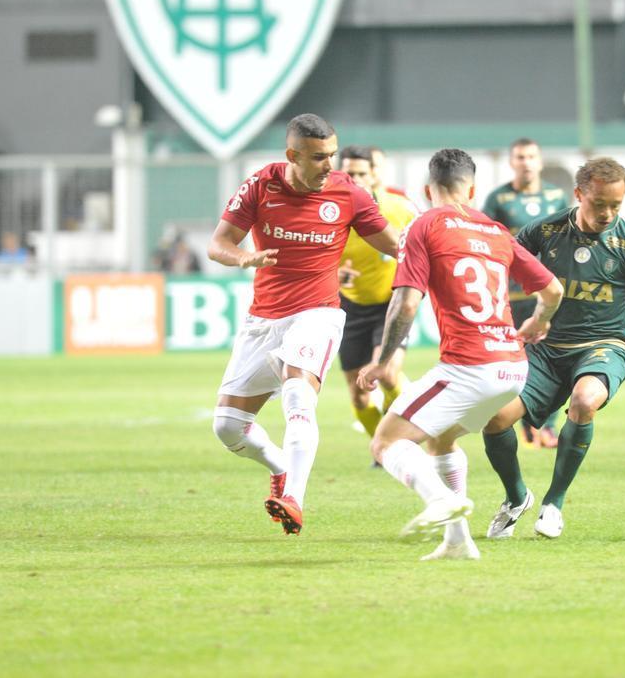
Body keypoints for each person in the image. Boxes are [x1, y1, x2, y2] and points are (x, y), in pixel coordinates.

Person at [357, 148, 562, 561]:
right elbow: (553, 289)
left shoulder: (424, 225)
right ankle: (457, 542)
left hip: (470, 366)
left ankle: (440, 500)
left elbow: (407, 303)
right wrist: (540, 319)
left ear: (426, 189)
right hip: (512, 369)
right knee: (443, 439)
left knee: (385, 442)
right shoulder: (496, 230)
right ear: (472, 189)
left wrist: (383, 359)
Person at [206, 114, 400, 535]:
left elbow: (395, 245)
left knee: (298, 394)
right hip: (264, 318)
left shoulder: (349, 193)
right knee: (227, 427)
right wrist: (243, 258)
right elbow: (218, 244)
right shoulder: (260, 185)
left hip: (318, 312)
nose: (330, 165)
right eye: (318, 157)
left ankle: (293, 496)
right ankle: (279, 468)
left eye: (332, 154)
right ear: (292, 155)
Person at [481, 157, 625, 540]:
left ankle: (553, 504)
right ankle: (516, 497)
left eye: (616, 205)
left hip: (605, 346)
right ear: (579, 194)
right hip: (547, 349)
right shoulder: (546, 230)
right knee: (494, 419)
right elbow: (500, 266)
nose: (608, 214)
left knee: (585, 400)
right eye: (600, 204)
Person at [481, 137, 568, 449]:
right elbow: (484, 240)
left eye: (531, 156)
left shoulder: (557, 197)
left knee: (554, 357)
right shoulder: (499, 199)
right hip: (511, 294)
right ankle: (524, 421)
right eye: (520, 157)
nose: (526, 162)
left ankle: (549, 426)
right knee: (517, 359)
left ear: (540, 161)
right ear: (511, 161)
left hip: (547, 292)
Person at [335, 145, 420, 443]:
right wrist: (334, 276)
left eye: (361, 173)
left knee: (386, 374)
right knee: (359, 396)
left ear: (373, 175)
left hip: (391, 303)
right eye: (349, 173)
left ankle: (400, 441)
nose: (355, 179)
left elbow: (424, 247)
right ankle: (381, 449)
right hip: (350, 308)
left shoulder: (400, 208)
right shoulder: (328, 216)